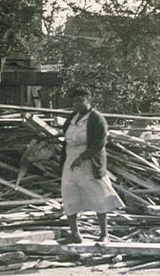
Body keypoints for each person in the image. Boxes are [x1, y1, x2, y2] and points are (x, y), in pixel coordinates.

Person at [59, 87, 123, 244]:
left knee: (98, 195)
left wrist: (82, 157)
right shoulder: (73, 118)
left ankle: (104, 234)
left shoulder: (96, 119)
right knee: (69, 195)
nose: (77, 104)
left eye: (81, 100)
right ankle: (75, 234)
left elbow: (99, 143)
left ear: (88, 100)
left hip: (89, 162)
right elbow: (66, 139)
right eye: (74, 101)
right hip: (70, 160)